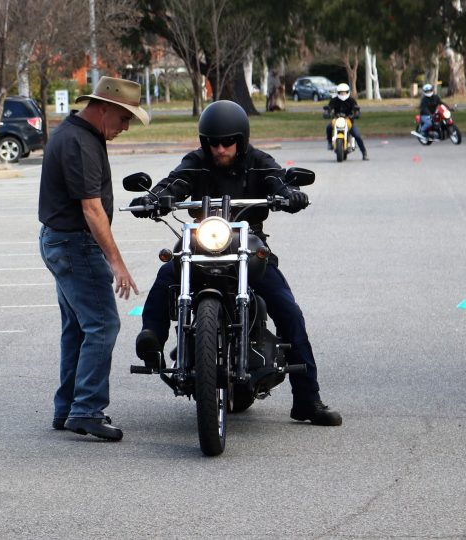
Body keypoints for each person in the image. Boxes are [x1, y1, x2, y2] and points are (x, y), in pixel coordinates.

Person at [131, 100, 342, 427]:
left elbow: (277, 179)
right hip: (204, 240)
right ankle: (152, 338)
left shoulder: (258, 161)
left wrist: (290, 193)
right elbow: (176, 181)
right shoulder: (196, 162)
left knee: (289, 311)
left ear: (240, 140)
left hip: (247, 242)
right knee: (166, 272)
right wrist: (154, 198)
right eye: (212, 142)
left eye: (227, 141)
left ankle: (307, 400)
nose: (219, 148)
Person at [38, 76, 149, 441]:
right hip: (74, 245)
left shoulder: (78, 134)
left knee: (78, 328)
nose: (126, 127)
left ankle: (67, 407)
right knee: (103, 325)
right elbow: (92, 210)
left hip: (62, 242)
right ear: (104, 109)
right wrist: (116, 263)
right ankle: (86, 410)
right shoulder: (80, 143)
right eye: (124, 118)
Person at [325, 83, 368, 160]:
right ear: (338, 92)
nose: (343, 94)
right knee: (328, 127)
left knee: (357, 135)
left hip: (348, 120)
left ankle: (364, 152)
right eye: (341, 92)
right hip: (336, 119)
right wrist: (327, 112)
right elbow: (329, 107)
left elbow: (356, 109)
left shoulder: (351, 100)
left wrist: (356, 113)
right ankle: (329, 143)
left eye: (344, 92)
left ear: (347, 92)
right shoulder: (334, 100)